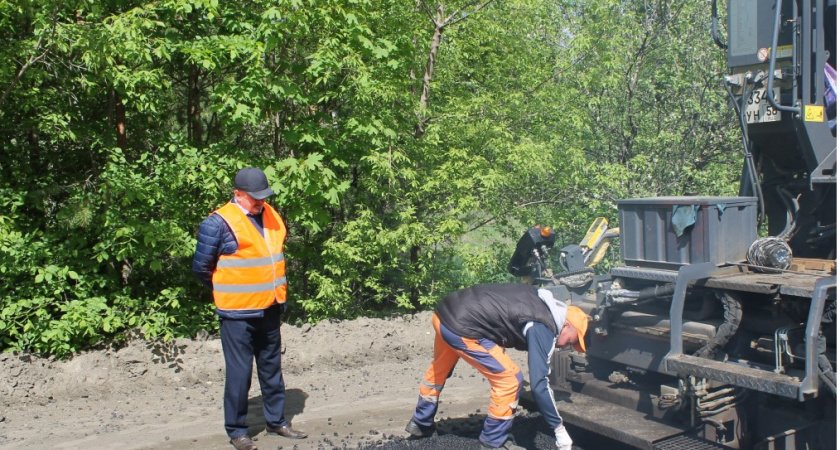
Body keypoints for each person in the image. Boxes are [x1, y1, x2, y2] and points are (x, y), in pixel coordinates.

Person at [192, 167, 307, 450]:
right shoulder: (217, 224)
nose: (260, 202)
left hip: (269, 307)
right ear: (237, 194)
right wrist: (228, 290)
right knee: (239, 374)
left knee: (271, 369)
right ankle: (237, 431)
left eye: (264, 197)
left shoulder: (271, 215)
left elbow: (272, 260)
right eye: (254, 198)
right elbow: (201, 269)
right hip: (237, 314)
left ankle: (277, 422)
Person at [405, 283, 588, 450]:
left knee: (439, 370)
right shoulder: (543, 326)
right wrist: (559, 428)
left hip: (443, 314)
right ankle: (493, 441)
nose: (567, 346)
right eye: (573, 340)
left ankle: (420, 423)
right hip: (462, 327)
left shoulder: (538, 300)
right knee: (510, 379)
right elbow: (539, 384)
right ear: (566, 325)